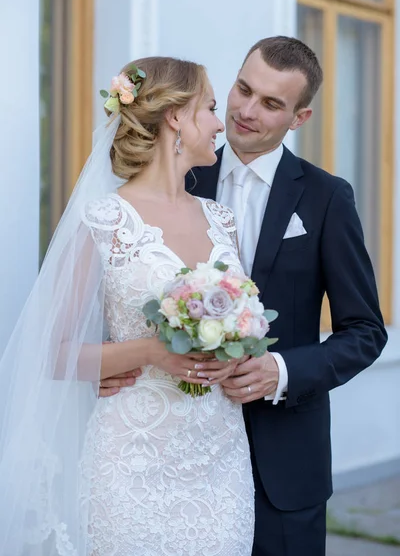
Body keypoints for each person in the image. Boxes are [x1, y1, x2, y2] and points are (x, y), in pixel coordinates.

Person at [101, 37, 388, 556]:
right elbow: (123, 286)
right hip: (169, 452)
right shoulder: (175, 168)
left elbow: (366, 332)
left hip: (285, 462)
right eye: (242, 89)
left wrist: (283, 370)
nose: (246, 111)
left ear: (299, 118)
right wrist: (110, 365)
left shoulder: (327, 198)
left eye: (271, 103)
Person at [0, 57, 256, 555]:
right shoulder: (104, 221)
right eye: (208, 107)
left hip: (221, 458)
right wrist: (152, 351)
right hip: (133, 460)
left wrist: (236, 358)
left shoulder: (221, 220)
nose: (219, 122)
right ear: (176, 117)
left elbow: (241, 329)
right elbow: (53, 353)